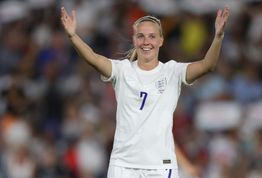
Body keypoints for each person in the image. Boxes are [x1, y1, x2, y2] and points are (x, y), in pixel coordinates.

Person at [60, 6, 230, 178]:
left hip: (161, 165)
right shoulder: (122, 70)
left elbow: (207, 65)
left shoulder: (173, 71)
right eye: (141, 36)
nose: (146, 41)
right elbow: (93, 58)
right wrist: (73, 36)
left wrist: (218, 36)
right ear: (134, 40)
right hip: (124, 165)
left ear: (161, 40)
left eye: (152, 36)